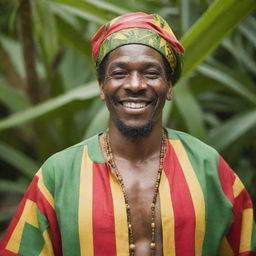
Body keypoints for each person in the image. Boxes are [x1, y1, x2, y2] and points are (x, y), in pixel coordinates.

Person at [0, 12, 255, 256]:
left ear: (169, 86)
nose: (135, 84)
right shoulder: (59, 174)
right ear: (102, 86)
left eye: (151, 73)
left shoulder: (207, 167)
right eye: (120, 73)